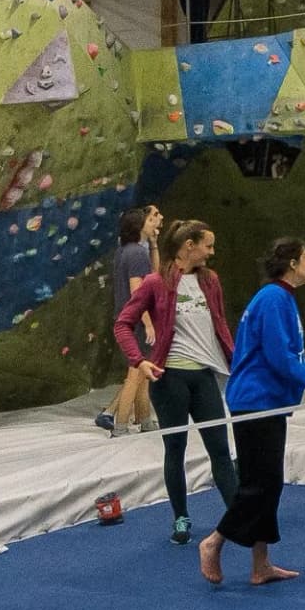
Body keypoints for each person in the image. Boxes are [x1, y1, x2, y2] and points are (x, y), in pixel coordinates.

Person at [204, 234, 305, 587]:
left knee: (269, 483)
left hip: (268, 402)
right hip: (255, 402)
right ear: (292, 263)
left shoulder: (282, 298)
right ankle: (214, 541)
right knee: (258, 484)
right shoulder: (274, 298)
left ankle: (260, 563)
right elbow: (280, 357)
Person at [114, 220, 238, 544]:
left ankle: (239, 515)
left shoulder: (211, 281)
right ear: (189, 246)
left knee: (221, 450)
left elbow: (221, 325)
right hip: (170, 379)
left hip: (204, 377)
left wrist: (238, 361)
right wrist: (139, 360)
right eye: (207, 245)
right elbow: (123, 324)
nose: (212, 251)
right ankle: (181, 517)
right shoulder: (156, 283)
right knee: (175, 449)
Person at [95, 203, 161, 435]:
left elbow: (152, 276)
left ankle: (145, 420)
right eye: (149, 218)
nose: (153, 221)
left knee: (142, 374)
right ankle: (120, 424)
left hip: (127, 318)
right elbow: (138, 292)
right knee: (135, 374)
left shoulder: (127, 250)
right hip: (134, 321)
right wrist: (148, 322)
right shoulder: (136, 253)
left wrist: (153, 244)